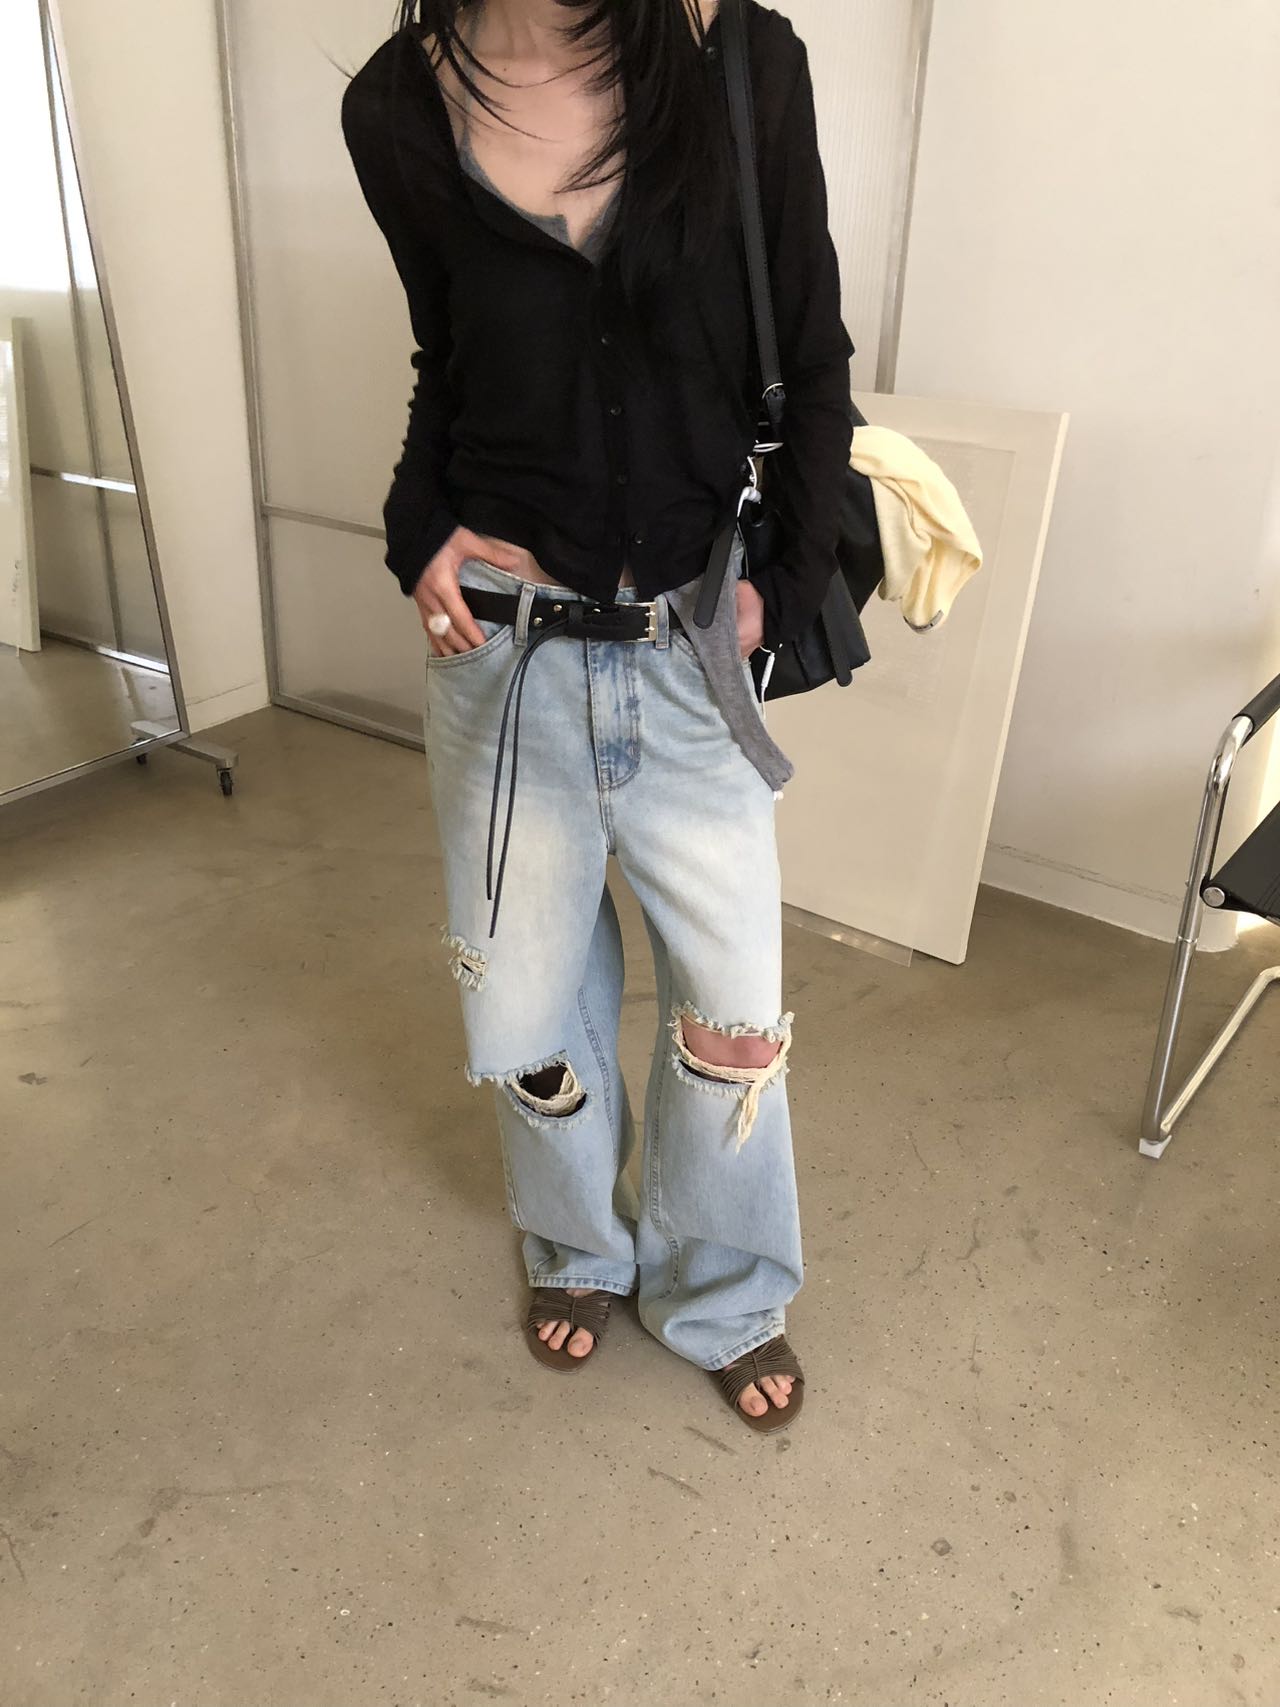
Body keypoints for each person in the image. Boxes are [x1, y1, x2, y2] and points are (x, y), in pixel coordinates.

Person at [340, 0, 856, 1433]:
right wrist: (416, 532)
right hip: (502, 653)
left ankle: (722, 1289)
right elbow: (446, 362)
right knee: (533, 1014)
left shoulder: (740, 61)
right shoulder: (397, 108)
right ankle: (576, 1246)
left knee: (734, 1018)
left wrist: (785, 586)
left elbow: (814, 358)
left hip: (690, 647)